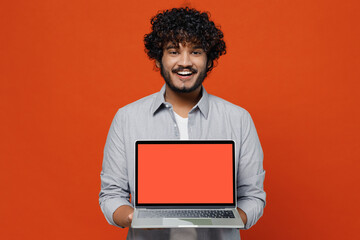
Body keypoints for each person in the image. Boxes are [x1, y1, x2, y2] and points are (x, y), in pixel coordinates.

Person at [99, 7, 266, 240]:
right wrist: (132, 218)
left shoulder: (238, 119)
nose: (185, 62)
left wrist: (234, 218)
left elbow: (253, 196)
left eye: (196, 51)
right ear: (159, 59)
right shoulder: (127, 118)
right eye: (174, 51)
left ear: (209, 61)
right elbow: (111, 195)